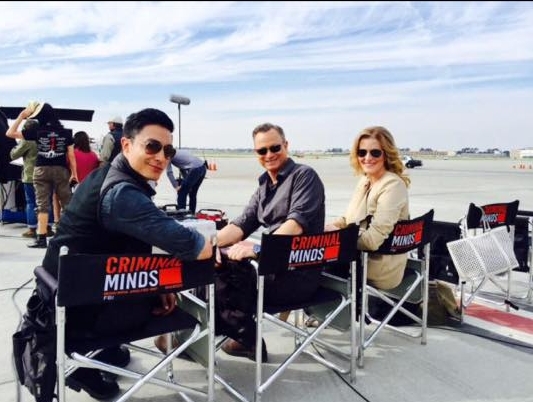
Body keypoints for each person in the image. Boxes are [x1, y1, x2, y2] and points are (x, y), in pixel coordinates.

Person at [33, 108, 214, 400]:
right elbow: (196, 247)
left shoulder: (106, 175)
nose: (161, 157)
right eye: (152, 146)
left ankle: (103, 352)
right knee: (204, 277)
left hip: (64, 294)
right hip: (82, 313)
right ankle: (86, 365)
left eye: (168, 151)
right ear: (126, 145)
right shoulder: (123, 194)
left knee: (160, 285)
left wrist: (158, 287)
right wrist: (221, 244)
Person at [213, 122, 325, 360]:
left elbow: (294, 226)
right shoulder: (265, 184)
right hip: (270, 270)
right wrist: (207, 245)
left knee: (223, 280)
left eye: (275, 148)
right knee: (211, 265)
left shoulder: (304, 176)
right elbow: (242, 224)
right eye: (262, 150)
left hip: (295, 273)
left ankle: (244, 338)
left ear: (286, 145)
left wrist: (258, 249)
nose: (269, 155)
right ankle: (233, 336)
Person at [325, 126, 410, 290]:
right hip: (356, 258)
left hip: (378, 267)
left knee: (309, 268)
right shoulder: (365, 180)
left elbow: (372, 241)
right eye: (362, 152)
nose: (367, 158)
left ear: (386, 154)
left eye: (375, 153)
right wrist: (327, 228)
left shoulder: (393, 185)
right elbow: (349, 219)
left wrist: (337, 236)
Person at [6, 101, 77, 248]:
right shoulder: (66, 133)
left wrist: (22, 116)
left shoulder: (38, 131)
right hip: (61, 169)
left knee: (42, 205)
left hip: (41, 170)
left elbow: (10, 133)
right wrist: (74, 174)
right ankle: (69, 238)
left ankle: (41, 238)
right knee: (67, 204)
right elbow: (71, 156)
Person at [9, 138, 54, 238]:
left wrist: (17, 145)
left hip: (31, 175)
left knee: (31, 202)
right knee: (47, 201)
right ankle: (48, 228)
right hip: (48, 174)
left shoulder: (28, 140)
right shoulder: (47, 137)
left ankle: (32, 229)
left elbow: (14, 155)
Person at [166, 149, 207, 214]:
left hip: (195, 169)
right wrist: (186, 180)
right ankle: (192, 214)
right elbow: (183, 167)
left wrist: (176, 186)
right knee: (193, 193)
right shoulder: (179, 152)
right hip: (203, 167)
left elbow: (169, 172)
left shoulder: (167, 156)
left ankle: (182, 214)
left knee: (181, 192)